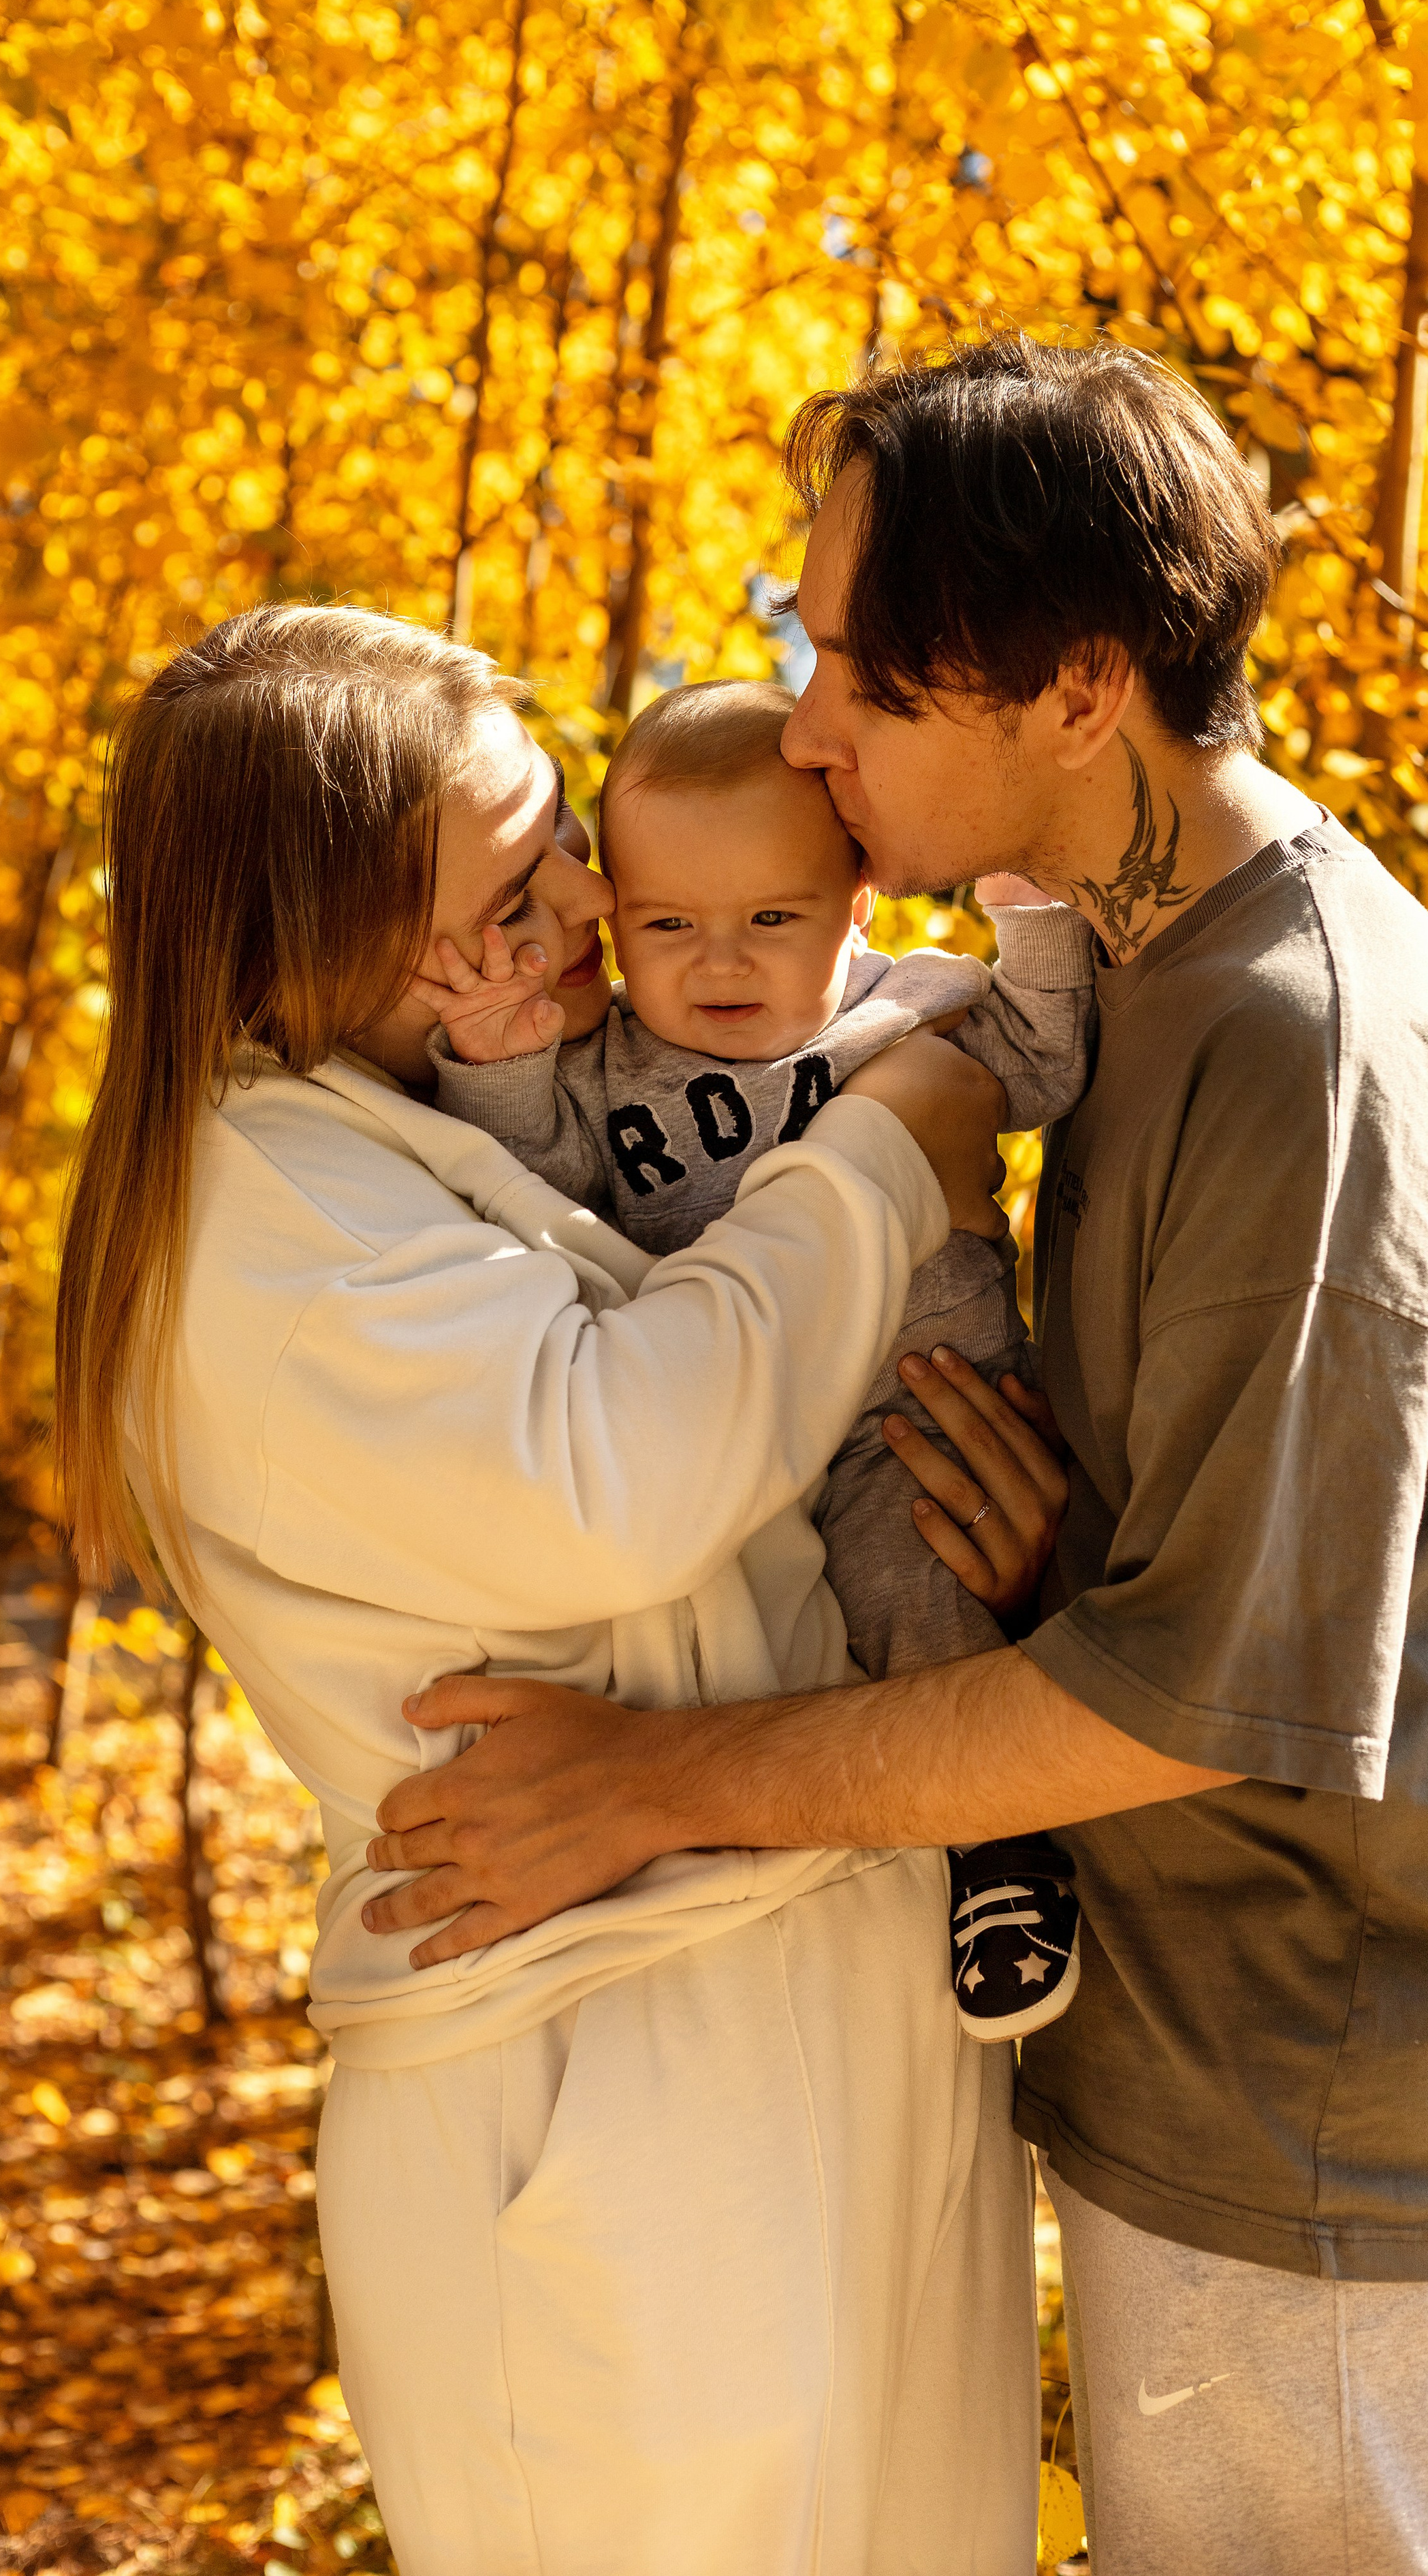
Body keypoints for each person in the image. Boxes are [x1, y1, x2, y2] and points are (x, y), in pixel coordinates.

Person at [364, 336, 1428, 2576]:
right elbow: (1238, 1595)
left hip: (1315, 2141)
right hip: (1208, 2079)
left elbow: (1193, 1701)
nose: (810, 724)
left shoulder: (1302, 1052)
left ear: (1074, 685)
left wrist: (646, 1785)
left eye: (864, 665)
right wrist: (1064, 1570)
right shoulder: (1137, 980)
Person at [52, 602, 1063, 2576]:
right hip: (604, 2089)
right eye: (521, 879)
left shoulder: (473, 1122)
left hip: (845, 2007)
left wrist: (972, 1542)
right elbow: (623, 1479)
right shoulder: (260, 1217)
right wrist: (887, 1151)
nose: (594, 901)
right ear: (327, 944)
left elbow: (755, 1488)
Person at [419, 672, 1092, 2037]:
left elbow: (1040, 1062)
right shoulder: (604, 1071)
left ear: (856, 905)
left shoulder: (901, 1010)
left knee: (919, 1588)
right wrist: (494, 1060)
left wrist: (1029, 910)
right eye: (670, 924)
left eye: (769, 922)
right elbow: (537, 1182)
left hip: (919, 1416)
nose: (717, 963)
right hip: (743, 1430)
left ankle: (1002, 1861)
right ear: (618, 910)